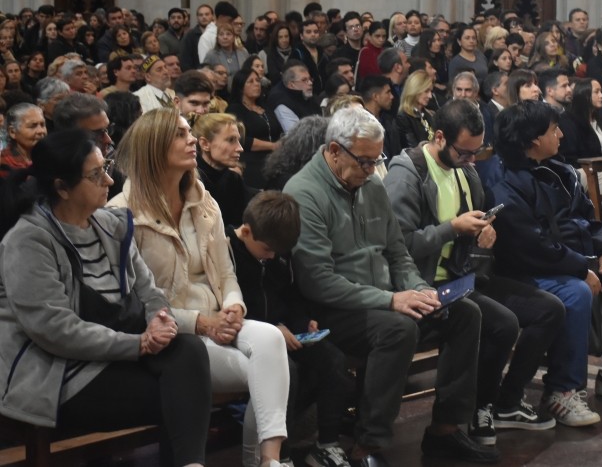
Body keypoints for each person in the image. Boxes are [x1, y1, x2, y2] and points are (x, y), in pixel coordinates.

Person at [284, 107, 495, 464]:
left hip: (383, 298)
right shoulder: (304, 193)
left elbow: (398, 253)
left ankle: (445, 430)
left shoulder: (370, 185)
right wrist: (392, 299)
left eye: (376, 160)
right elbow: (318, 281)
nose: (372, 170)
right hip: (335, 309)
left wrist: (420, 289)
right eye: (365, 161)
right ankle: (369, 444)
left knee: (463, 313)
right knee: (397, 329)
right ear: (334, 151)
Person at [0, 129, 212, 467]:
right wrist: (138, 344)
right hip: (60, 372)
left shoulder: (111, 225)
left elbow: (149, 291)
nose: (109, 181)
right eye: (96, 174)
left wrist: (160, 320)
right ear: (62, 187)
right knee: (181, 395)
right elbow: (55, 330)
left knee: (188, 350)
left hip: (117, 352)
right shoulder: (28, 241)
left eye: (107, 168)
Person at [110, 109, 291, 467]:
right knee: (266, 373)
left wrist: (234, 306)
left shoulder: (203, 200)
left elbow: (225, 271)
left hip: (218, 319)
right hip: (175, 336)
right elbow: (134, 301)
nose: (192, 139)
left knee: (271, 339)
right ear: (154, 147)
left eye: (189, 133)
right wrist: (202, 324)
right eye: (180, 134)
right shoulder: (121, 213)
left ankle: (268, 461)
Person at [384, 99, 562, 444]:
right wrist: (452, 228)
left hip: (462, 276)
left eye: (477, 152)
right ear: (439, 137)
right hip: (422, 284)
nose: (471, 161)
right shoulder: (407, 174)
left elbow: (472, 220)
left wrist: (484, 230)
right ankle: (468, 414)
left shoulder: (465, 171)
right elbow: (399, 245)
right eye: (464, 152)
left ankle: (505, 402)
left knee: (548, 309)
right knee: (500, 323)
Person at [490, 100, 602, 427]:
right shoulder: (506, 184)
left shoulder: (560, 171)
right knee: (576, 293)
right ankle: (563, 390)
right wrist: (581, 269)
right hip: (529, 271)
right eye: (554, 129)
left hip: (574, 261)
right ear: (533, 140)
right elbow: (531, 246)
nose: (561, 135)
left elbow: (589, 220)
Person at [230, 192, 357, 467]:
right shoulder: (228, 251)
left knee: (334, 361)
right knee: (288, 371)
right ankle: (281, 456)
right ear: (247, 232)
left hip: (287, 332)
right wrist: (274, 329)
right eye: (267, 250)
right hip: (249, 336)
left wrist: (303, 322)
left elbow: (290, 295)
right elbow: (233, 306)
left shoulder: (277, 252)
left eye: (277, 252)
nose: (272, 256)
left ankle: (327, 444)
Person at [228, 67, 283, 189]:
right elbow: (241, 139)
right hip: (251, 161)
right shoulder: (235, 109)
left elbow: (278, 130)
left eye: (258, 81)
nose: (256, 84)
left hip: (274, 159)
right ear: (241, 87)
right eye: (250, 81)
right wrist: (272, 146)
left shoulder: (265, 107)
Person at [193, 112, 250, 230]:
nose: (240, 148)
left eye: (238, 140)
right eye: (231, 140)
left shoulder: (234, 179)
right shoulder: (190, 182)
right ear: (205, 144)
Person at [558, 78, 602, 167]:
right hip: (584, 170)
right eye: (596, 92)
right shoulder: (567, 121)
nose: (601, 95)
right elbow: (570, 156)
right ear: (585, 95)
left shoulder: (601, 117)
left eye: (601, 91)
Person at [267, 63, 319, 133]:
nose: (310, 83)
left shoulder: (311, 98)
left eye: (310, 79)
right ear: (291, 85)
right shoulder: (283, 105)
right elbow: (295, 135)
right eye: (304, 80)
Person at [393, 69, 435, 149]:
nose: (430, 96)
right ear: (415, 90)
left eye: (431, 91)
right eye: (426, 91)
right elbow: (413, 149)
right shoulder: (403, 119)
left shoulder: (429, 114)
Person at [1, 102, 46, 177]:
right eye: (33, 126)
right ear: (12, 132)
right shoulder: (3, 164)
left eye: (42, 125)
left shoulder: (51, 157)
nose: (41, 131)